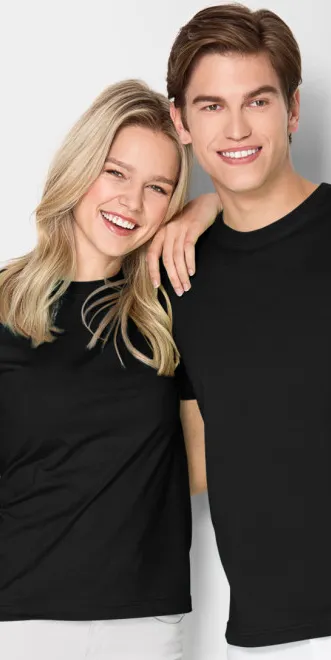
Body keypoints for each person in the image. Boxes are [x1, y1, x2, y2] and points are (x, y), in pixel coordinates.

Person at [147, 5, 331, 659]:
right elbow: (196, 459)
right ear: (181, 121)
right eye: (212, 106)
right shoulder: (179, 274)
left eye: (258, 101)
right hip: (259, 640)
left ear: (293, 109)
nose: (237, 128)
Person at [0, 79, 217, 660]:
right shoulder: (3, 305)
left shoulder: (172, 308)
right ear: (79, 166)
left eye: (158, 188)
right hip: (18, 621)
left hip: (144, 623)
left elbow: (197, 466)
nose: (132, 202)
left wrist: (209, 205)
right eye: (115, 173)